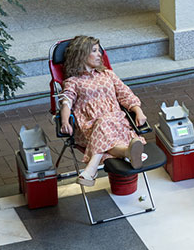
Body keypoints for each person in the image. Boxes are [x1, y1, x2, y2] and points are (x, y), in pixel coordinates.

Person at [58, 35, 148, 187]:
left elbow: (125, 94)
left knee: (105, 120)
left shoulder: (108, 75)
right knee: (102, 121)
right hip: (89, 128)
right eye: (94, 51)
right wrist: (65, 120)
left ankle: (91, 170)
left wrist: (138, 111)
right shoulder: (73, 81)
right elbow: (66, 101)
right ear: (81, 54)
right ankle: (127, 152)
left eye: (99, 50)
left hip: (117, 123)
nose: (100, 54)